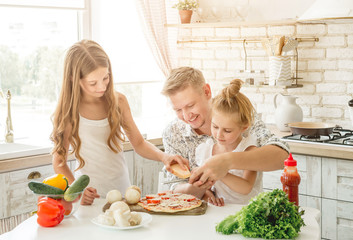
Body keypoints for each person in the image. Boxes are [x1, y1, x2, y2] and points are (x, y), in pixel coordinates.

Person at [50, 40, 188, 205]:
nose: (101, 87)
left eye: (105, 78)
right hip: (89, 198)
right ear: (74, 79)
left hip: (123, 192)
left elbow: (139, 143)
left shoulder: (118, 101)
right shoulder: (68, 112)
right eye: (93, 83)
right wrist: (76, 189)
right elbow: (59, 162)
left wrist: (164, 157)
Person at [161, 66, 289, 193]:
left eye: (190, 105)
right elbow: (176, 186)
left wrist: (226, 161)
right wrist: (201, 190)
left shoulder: (236, 113)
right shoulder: (173, 133)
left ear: (206, 91)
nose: (186, 115)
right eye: (178, 110)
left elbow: (282, 157)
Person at [194, 79, 262, 206]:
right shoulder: (207, 151)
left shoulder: (249, 151)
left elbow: (246, 188)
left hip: (247, 212)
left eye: (227, 130)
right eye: (215, 127)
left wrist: (220, 171)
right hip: (220, 212)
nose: (219, 135)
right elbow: (207, 186)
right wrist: (208, 194)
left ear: (244, 127)